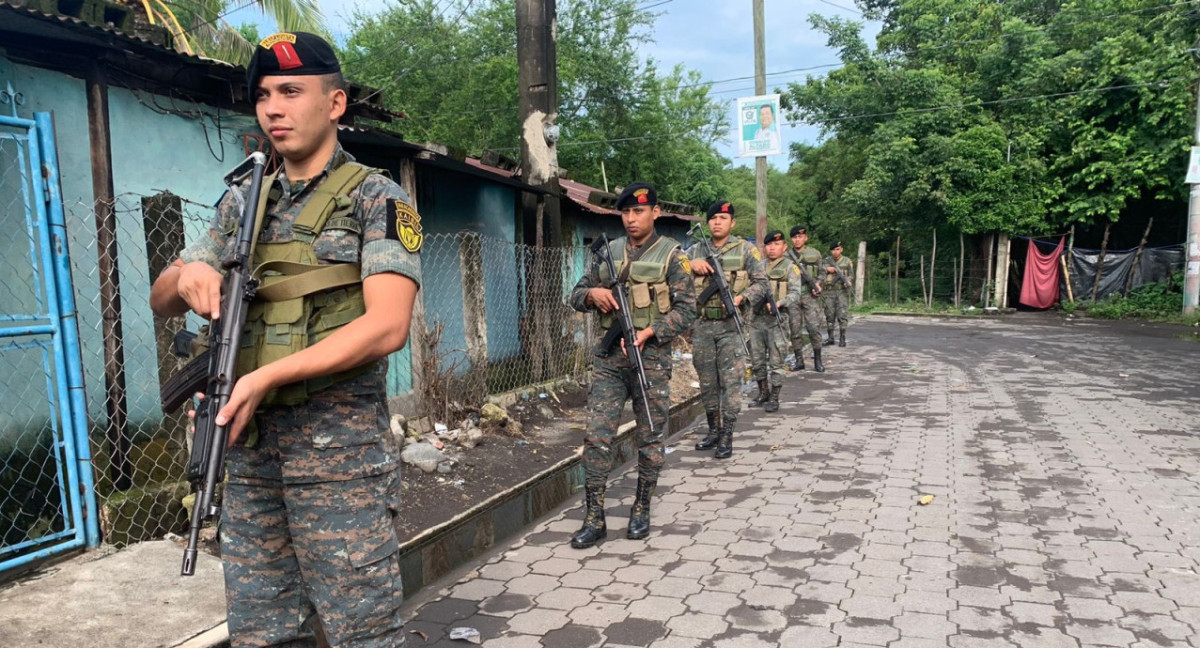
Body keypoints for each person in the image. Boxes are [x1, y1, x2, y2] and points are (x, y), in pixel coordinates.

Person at [149, 32, 419, 648]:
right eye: (264, 94)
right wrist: (186, 272)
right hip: (248, 456)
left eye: (291, 91)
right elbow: (162, 296)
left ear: (335, 103)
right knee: (261, 632)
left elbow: (388, 326)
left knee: (364, 633)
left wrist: (266, 375)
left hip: (339, 463)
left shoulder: (377, 198)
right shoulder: (243, 201)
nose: (273, 107)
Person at [567, 182, 696, 548]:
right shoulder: (608, 253)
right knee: (596, 437)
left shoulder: (673, 256)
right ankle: (594, 518)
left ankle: (641, 507)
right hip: (610, 360)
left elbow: (688, 311)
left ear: (655, 212)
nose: (631, 218)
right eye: (625, 212)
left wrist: (652, 330)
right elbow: (575, 294)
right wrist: (593, 294)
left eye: (638, 211)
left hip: (651, 359)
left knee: (651, 434)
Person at [689, 201, 768, 458]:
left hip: (731, 326)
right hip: (701, 326)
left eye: (723, 218)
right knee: (707, 382)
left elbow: (762, 283)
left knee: (731, 383)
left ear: (732, 222)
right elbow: (673, 267)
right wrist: (691, 265)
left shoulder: (746, 250)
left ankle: (727, 435)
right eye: (713, 218)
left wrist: (742, 297)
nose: (717, 222)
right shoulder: (694, 249)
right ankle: (713, 430)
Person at [747, 230, 803, 413]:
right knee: (756, 359)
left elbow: (796, 293)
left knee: (777, 360)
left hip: (777, 321)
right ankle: (763, 392)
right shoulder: (758, 266)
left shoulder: (790, 267)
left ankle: (775, 396)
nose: (772, 248)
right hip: (757, 319)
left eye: (777, 244)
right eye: (769, 244)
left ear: (784, 247)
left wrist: (780, 302)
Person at [785, 225, 826, 372]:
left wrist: (818, 284)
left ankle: (818, 361)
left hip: (810, 294)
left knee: (813, 328)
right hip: (793, 296)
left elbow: (822, 272)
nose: (797, 240)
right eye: (795, 237)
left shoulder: (814, 254)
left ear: (806, 238)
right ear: (791, 239)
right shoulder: (786, 256)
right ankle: (799, 361)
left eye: (800, 237)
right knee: (795, 329)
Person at [822, 241, 855, 347]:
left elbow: (851, 275)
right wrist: (827, 269)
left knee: (842, 315)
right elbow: (818, 272)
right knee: (829, 315)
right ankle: (830, 337)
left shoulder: (847, 261)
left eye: (838, 249)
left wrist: (848, 281)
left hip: (842, 291)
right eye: (833, 250)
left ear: (841, 249)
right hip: (829, 291)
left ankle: (842, 337)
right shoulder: (826, 261)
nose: (835, 252)